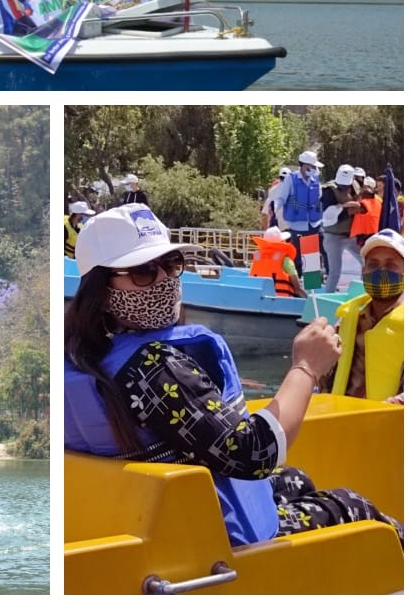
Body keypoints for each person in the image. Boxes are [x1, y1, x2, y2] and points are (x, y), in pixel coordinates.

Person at [65, 204, 403, 548]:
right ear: (101, 289)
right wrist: (306, 368)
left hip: (168, 513)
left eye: (171, 265)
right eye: (143, 272)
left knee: (294, 481)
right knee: (352, 505)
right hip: (211, 538)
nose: (164, 281)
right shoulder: (155, 367)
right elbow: (254, 453)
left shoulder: (87, 355)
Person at [327, 230, 404, 404]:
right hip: (344, 421)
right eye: (373, 264)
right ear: (363, 271)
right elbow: (325, 371)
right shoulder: (348, 318)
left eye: (391, 265)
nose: (381, 271)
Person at [270, 150, 324, 277]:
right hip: (297, 226)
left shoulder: (315, 179)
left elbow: (320, 197)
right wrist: (275, 208)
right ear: (305, 166)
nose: (315, 169)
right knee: (297, 261)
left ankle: (312, 291)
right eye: (313, 166)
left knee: (312, 263)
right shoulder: (291, 179)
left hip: (313, 225)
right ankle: (296, 288)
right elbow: (281, 198)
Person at [321, 164, 364, 293]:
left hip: (351, 235)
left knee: (367, 263)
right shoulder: (328, 190)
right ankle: (327, 298)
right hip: (333, 236)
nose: (343, 187)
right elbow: (327, 217)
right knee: (335, 272)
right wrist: (346, 208)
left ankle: (362, 292)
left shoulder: (356, 186)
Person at [249, 226, 307, 297]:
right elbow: (298, 289)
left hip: (258, 298)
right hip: (281, 299)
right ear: (281, 242)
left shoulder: (257, 257)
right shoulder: (285, 259)